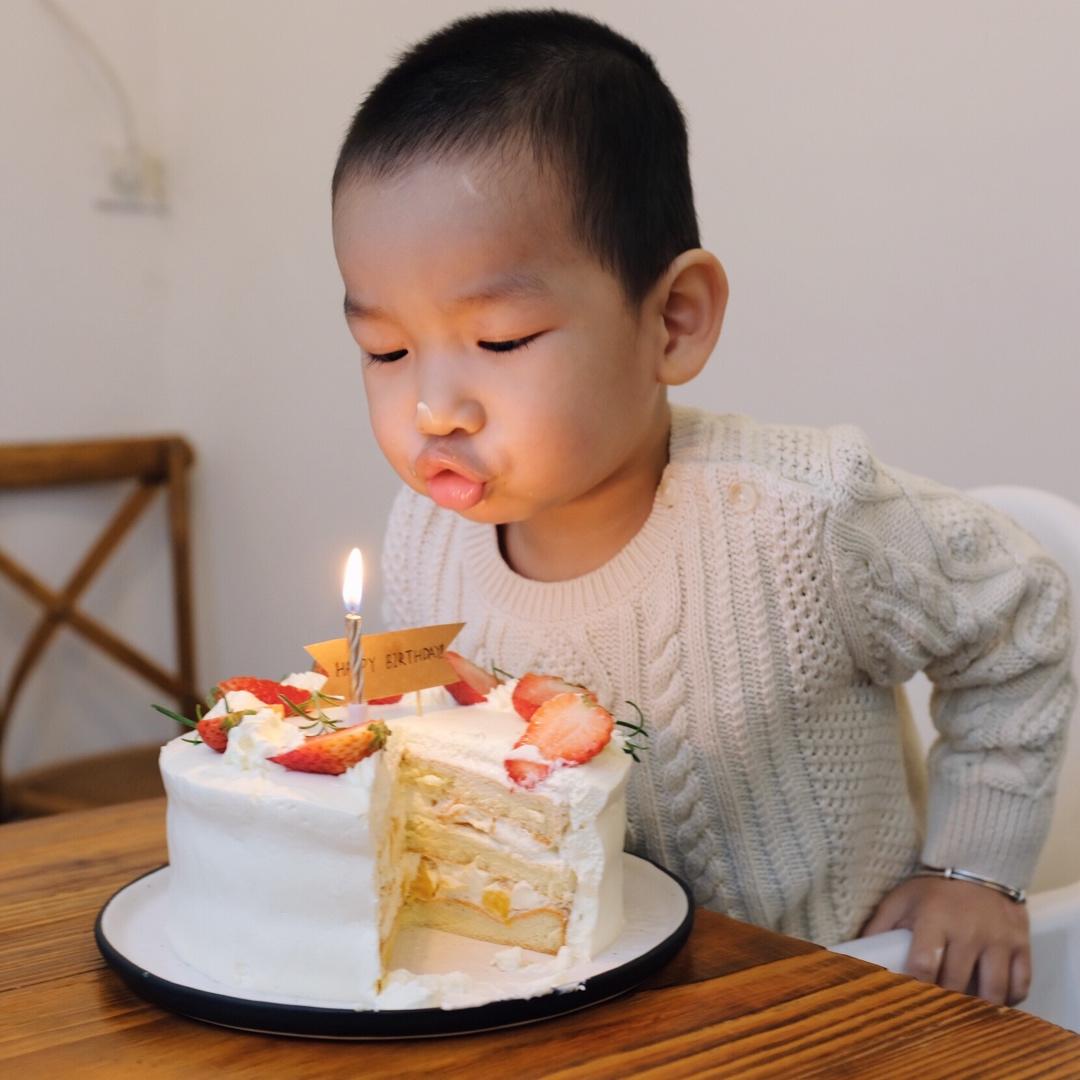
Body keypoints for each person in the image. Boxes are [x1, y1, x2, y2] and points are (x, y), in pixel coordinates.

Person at [330, 9, 1074, 1006]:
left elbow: (1022, 613)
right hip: (581, 1010)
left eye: (500, 340)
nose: (432, 408)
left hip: (835, 1004)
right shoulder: (424, 536)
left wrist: (973, 869)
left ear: (673, 321)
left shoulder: (802, 518)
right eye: (384, 350)